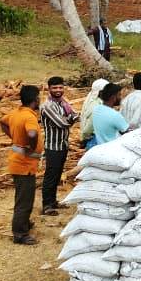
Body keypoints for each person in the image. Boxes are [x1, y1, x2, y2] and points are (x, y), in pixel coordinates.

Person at [0, 85, 44, 245]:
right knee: (24, 201)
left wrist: (14, 137)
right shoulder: (29, 117)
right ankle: (20, 233)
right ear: (35, 100)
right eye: (39, 97)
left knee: (24, 197)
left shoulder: (17, 113)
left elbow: (2, 122)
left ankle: (23, 223)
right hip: (23, 164)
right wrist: (31, 145)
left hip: (20, 162)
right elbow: (32, 133)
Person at [39, 76, 78, 216]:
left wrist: (69, 118)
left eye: (60, 87)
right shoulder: (47, 106)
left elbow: (74, 115)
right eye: (55, 88)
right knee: (50, 176)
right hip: (53, 146)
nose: (58, 90)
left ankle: (53, 201)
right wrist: (69, 119)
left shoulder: (63, 103)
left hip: (63, 145)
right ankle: (46, 205)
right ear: (49, 89)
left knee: (56, 175)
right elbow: (63, 123)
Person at [79, 79, 109, 148]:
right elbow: (90, 126)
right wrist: (84, 137)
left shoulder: (91, 98)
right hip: (95, 140)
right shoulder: (98, 105)